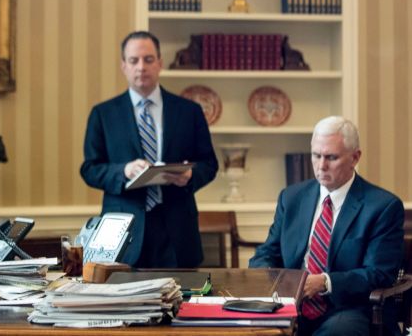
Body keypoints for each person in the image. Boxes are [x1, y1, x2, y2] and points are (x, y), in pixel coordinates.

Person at [249, 116, 404, 336]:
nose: (321, 165)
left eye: (331, 157)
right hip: (290, 303)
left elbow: (379, 273)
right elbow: (267, 252)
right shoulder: (291, 198)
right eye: (316, 155)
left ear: (355, 157)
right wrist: (276, 279)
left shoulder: (383, 207)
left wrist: (325, 283)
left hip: (348, 307)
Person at [80, 31, 219, 268]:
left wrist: (190, 176)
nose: (141, 67)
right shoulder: (103, 114)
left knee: (181, 303)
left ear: (160, 63)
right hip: (123, 232)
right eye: (134, 61)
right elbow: (90, 169)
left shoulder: (189, 111)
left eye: (148, 59)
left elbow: (209, 164)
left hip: (177, 230)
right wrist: (124, 170)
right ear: (124, 66)